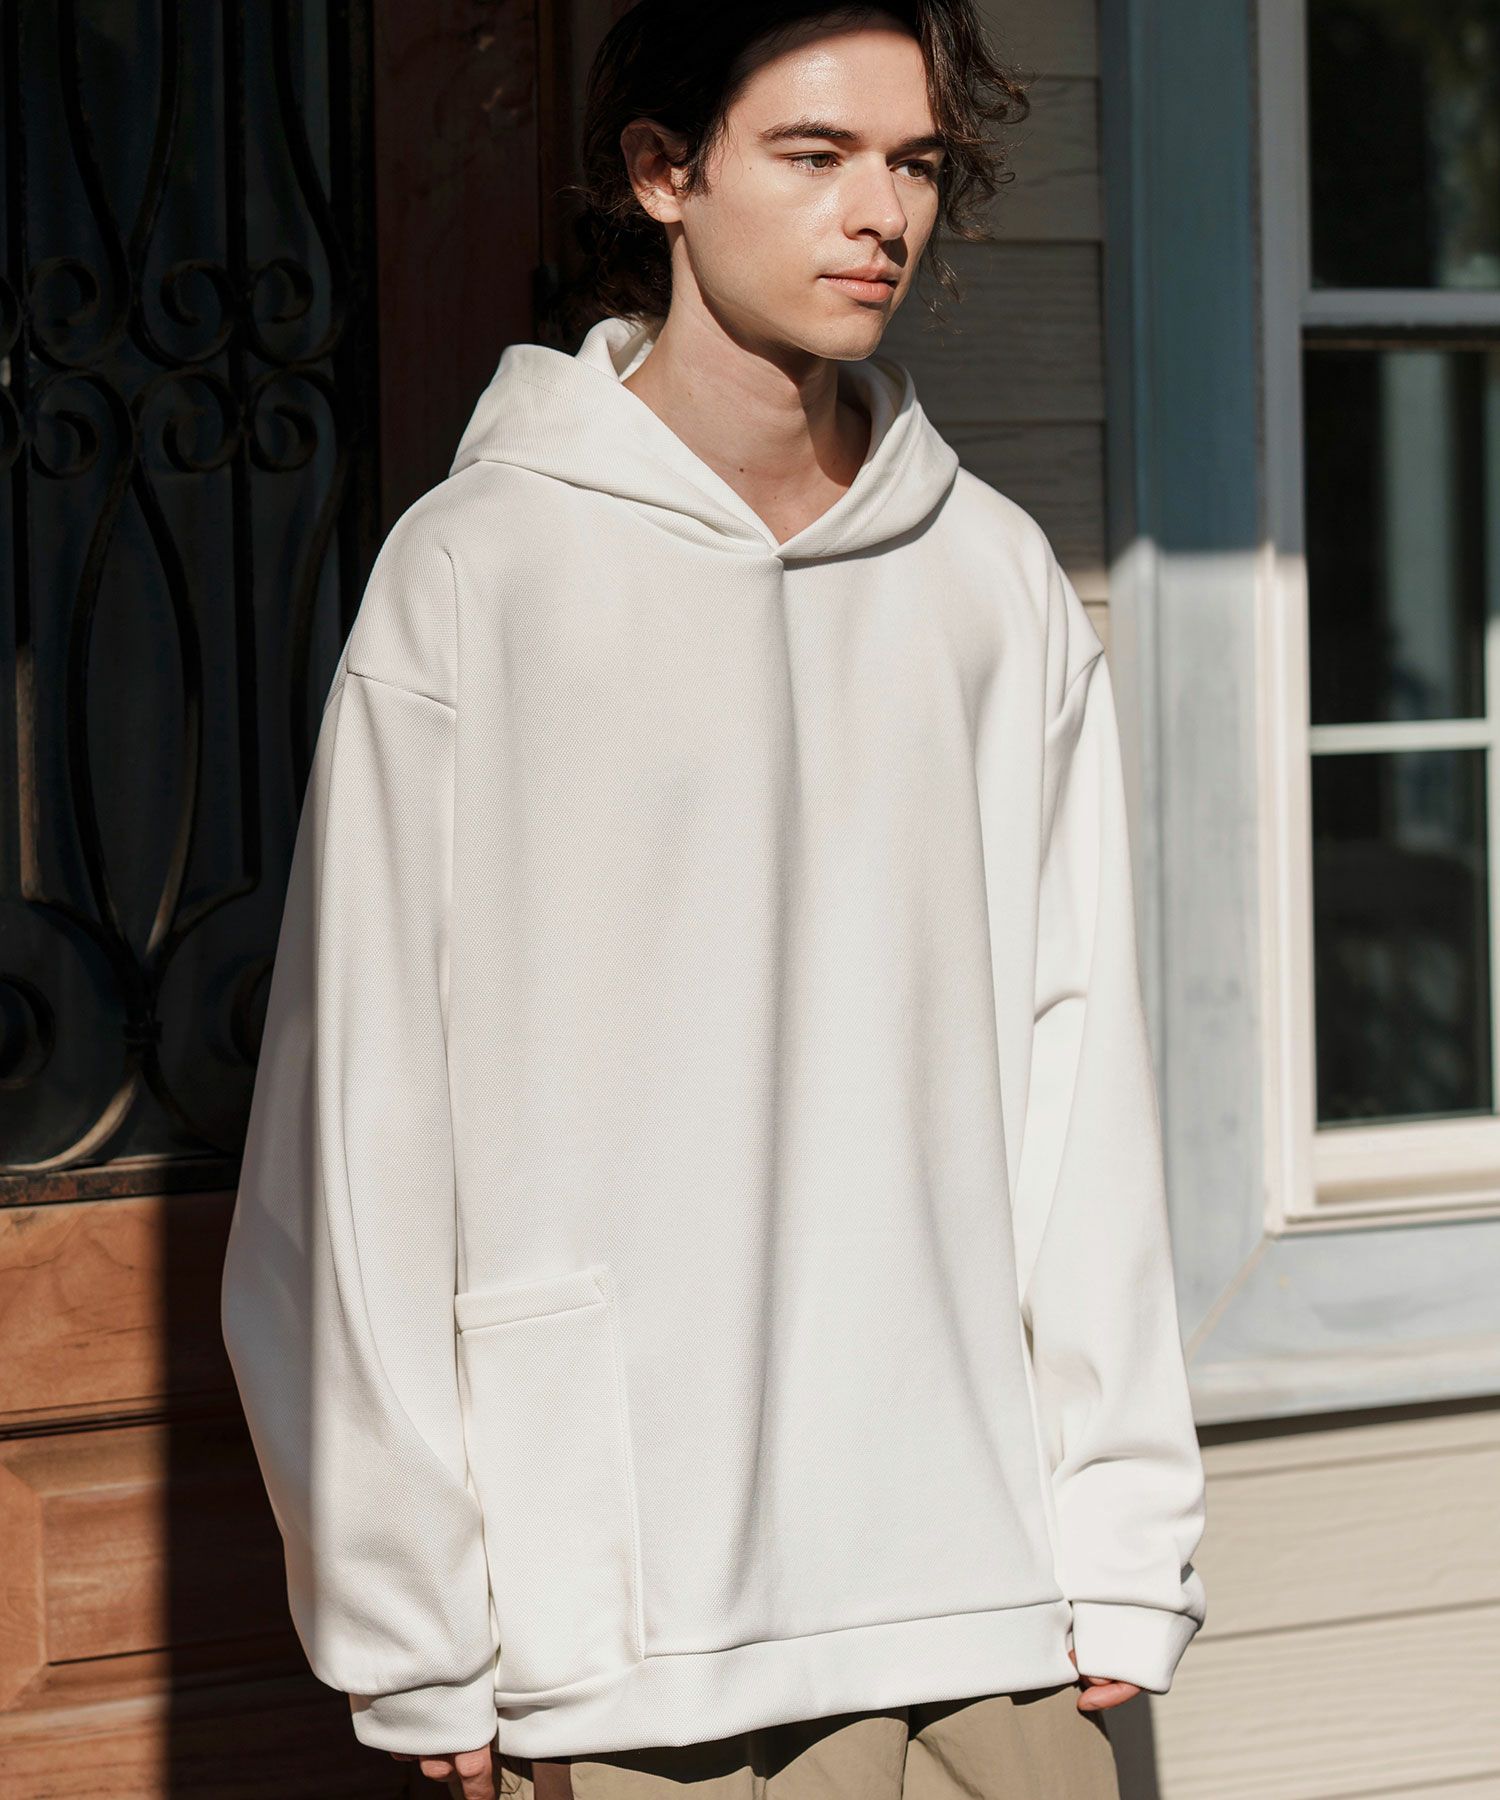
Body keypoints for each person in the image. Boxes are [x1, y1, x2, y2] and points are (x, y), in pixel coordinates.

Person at [219, 3, 1209, 1797]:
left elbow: (1081, 1091)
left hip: (989, 1602)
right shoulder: (480, 572)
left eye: (915, 164)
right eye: (814, 155)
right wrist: (410, 1612)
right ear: (664, 172)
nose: (881, 215)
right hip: (631, 1633)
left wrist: (1124, 1536)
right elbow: (357, 1127)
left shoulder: (992, 584)